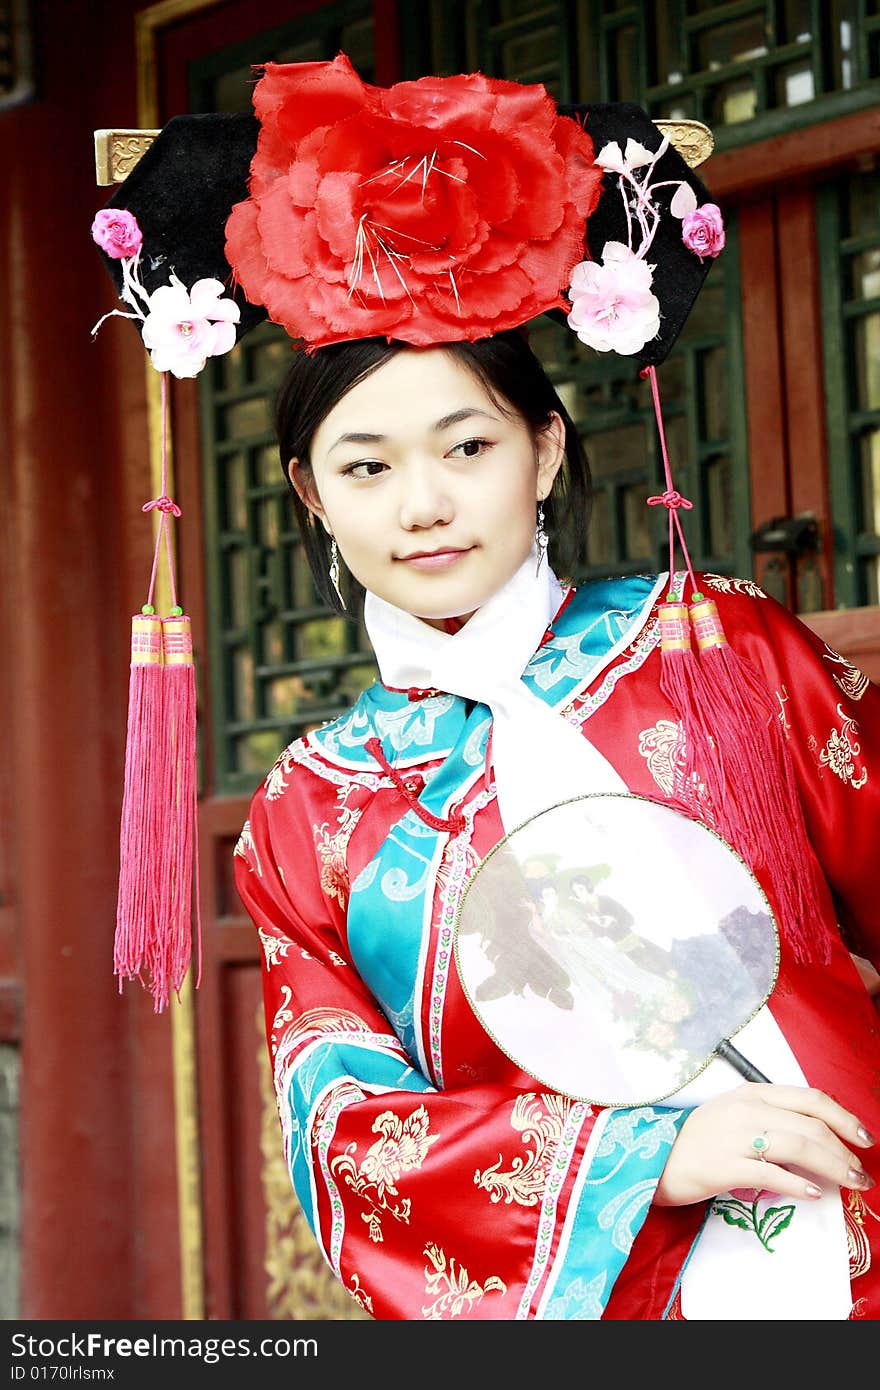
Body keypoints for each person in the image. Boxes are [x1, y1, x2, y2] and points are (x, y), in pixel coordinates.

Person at [92, 54, 879, 1320]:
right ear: (310, 496)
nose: (423, 506)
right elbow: (345, 1131)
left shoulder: (715, 646)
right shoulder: (312, 813)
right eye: (365, 467)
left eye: (467, 446)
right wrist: (646, 1160)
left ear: (545, 448)